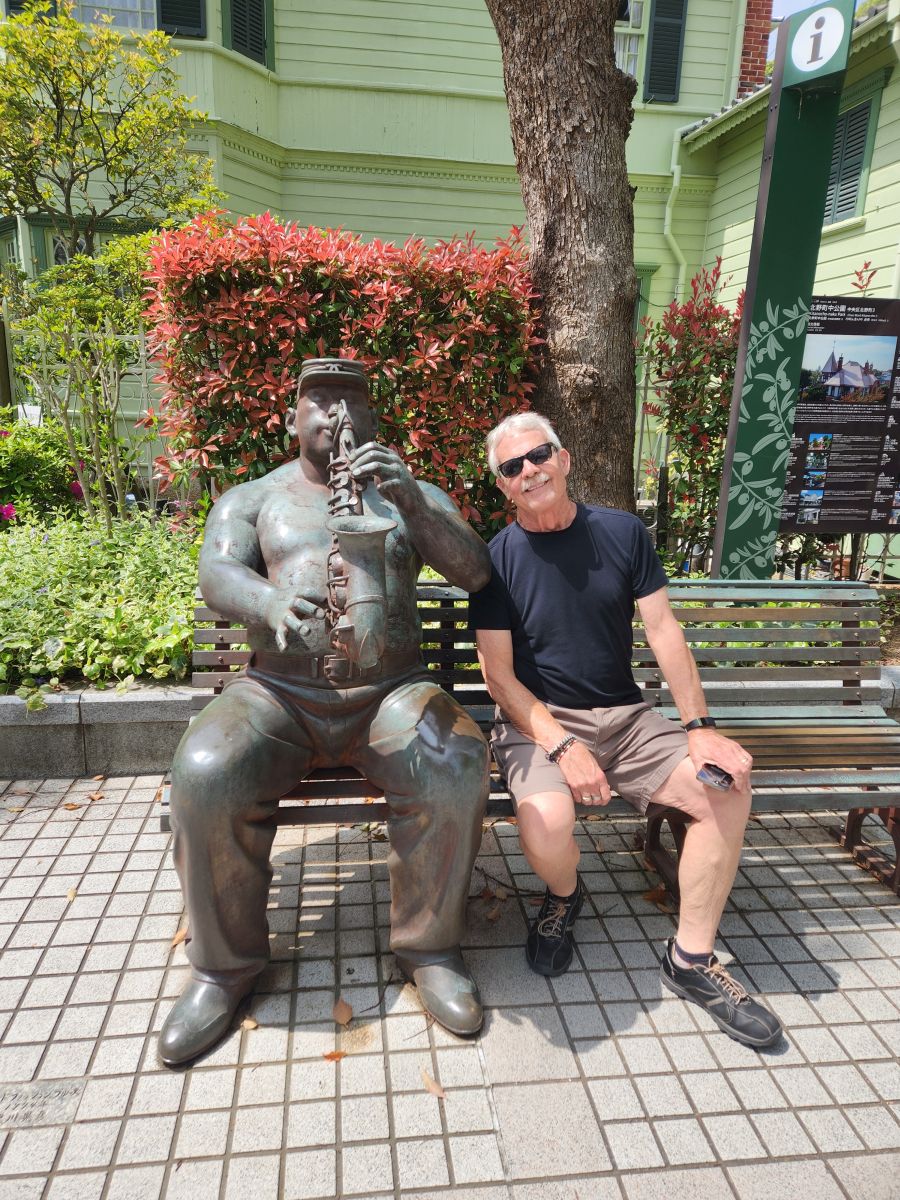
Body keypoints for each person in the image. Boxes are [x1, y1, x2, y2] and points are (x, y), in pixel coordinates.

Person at [159, 357, 491, 1067]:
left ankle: (431, 950)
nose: (336, 415)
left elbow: (475, 571)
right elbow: (217, 571)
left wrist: (416, 507)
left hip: (391, 692)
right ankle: (222, 969)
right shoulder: (255, 497)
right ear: (290, 419)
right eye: (319, 400)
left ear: (373, 417)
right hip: (278, 694)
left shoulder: (412, 491)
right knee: (205, 772)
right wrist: (268, 600)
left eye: (350, 400)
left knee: (455, 761)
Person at [468, 412, 783, 1048]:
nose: (530, 471)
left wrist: (700, 727)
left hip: (628, 717)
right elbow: (498, 677)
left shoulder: (622, 532)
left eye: (539, 456)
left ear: (564, 459)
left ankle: (691, 960)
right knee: (546, 823)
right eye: (512, 467)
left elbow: (663, 630)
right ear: (502, 486)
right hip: (539, 722)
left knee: (723, 787)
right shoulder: (494, 560)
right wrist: (562, 745)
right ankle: (563, 896)